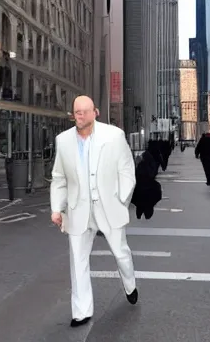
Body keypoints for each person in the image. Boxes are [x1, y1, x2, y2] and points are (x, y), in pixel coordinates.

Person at [50, 95, 138, 327]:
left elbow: (127, 171)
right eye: (76, 112)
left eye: (84, 111)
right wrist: (56, 208)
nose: (79, 115)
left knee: (121, 254)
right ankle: (81, 311)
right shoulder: (63, 140)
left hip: (109, 208)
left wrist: (121, 200)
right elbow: (59, 178)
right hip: (78, 210)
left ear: (95, 112)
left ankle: (130, 285)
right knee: (77, 261)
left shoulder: (114, 136)